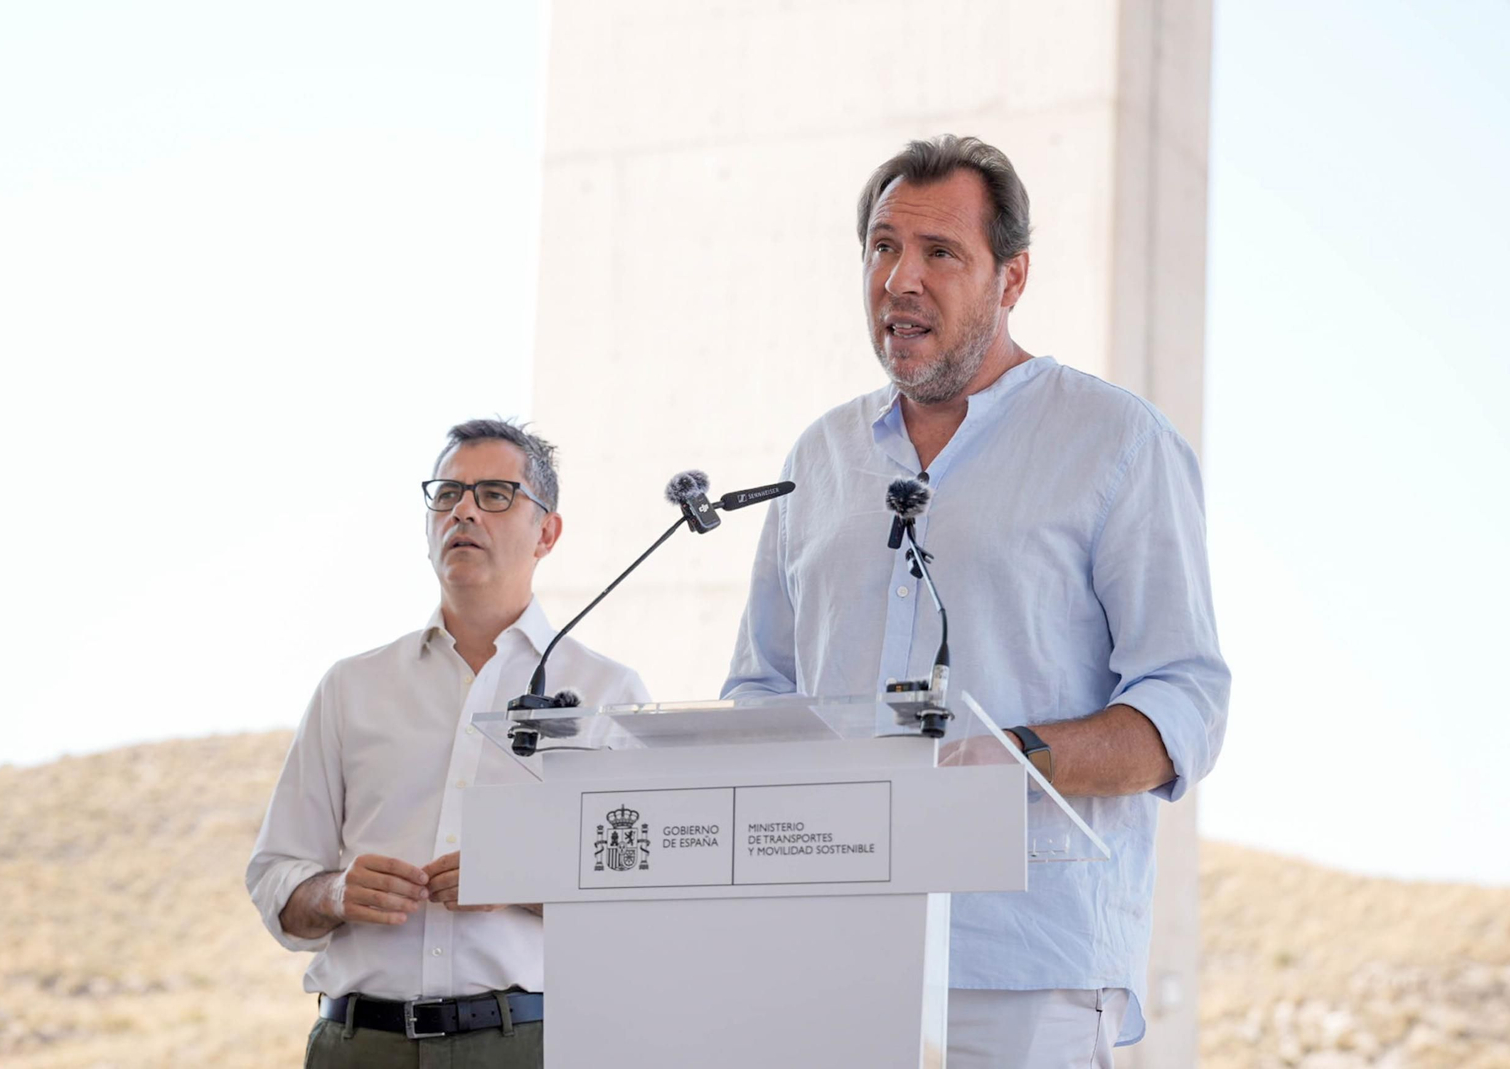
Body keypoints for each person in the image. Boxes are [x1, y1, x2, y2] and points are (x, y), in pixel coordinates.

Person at [722, 135, 1229, 1068]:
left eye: (940, 253)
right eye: (882, 247)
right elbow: (759, 692)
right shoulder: (818, 459)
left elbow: (1183, 706)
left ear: (1013, 276)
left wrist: (1016, 757)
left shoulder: (1116, 441)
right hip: (831, 956)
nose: (900, 278)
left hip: (1027, 962)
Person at [247, 419, 649, 1068]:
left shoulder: (607, 691)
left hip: (528, 1045)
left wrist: (518, 875)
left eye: (494, 494)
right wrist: (337, 891)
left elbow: (642, 896)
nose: (463, 508)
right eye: (447, 494)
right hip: (358, 1046)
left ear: (547, 531)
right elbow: (276, 879)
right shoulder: (352, 687)